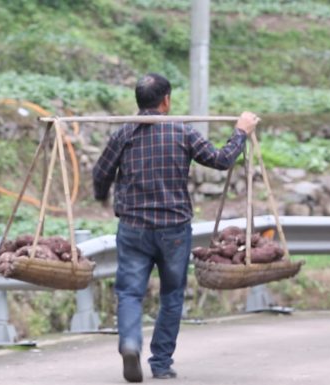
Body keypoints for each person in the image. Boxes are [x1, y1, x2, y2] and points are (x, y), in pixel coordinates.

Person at [92, 73, 258, 382]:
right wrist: (240, 132)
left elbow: (101, 173)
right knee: (171, 295)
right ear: (166, 100)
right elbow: (222, 161)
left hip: (134, 228)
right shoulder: (182, 132)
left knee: (129, 292)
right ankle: (161, 363)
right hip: (174, 231)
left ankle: (130, 343)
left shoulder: (124, 133)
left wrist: (103, 195)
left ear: (138, 101)